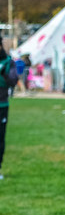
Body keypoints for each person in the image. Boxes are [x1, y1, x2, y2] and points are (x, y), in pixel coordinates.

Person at [0, 40, 19, 180]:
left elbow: (13, 80)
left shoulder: (7, 62)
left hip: (2, 105)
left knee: (0, 138)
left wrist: (3, 74)